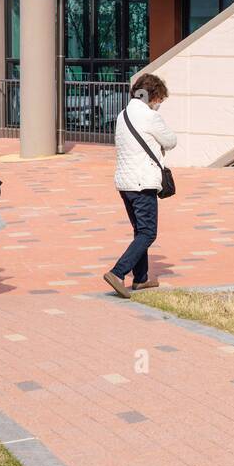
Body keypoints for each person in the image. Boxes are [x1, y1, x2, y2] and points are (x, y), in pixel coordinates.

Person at [104, 73, 177, 299]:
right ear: (153, 95)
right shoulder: (150, 117)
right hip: (142, 181)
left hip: (124, 183)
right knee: (148, 233)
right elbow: (171, 141)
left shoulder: (122, 115)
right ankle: (118, 273)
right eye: (160, 100)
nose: (159, 104)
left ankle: (141, 278)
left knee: (139, 230)